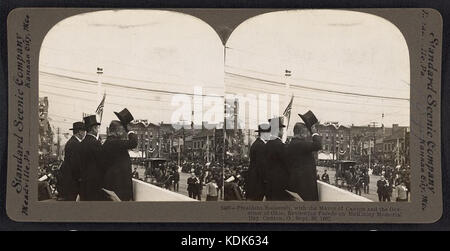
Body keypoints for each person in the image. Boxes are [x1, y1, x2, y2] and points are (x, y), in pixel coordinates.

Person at [102, 109, 138, 201]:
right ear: (117, 130)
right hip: (118, 188)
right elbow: (133, 143)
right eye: (122, 130)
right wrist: (130, 131)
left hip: (116, 186)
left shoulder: (110, 142)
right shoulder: (113, 142)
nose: (123, 133)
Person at [286, 122, 322, 201]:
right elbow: (318, 145)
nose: (307, 136)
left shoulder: (291, 144)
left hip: (297, 185)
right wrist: (314, 132)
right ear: (301, 133)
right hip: (304, 187)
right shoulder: (300, 144)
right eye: (306, 133)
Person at [79, 115, 105, 201]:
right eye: (97, 127)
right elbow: (102, 163)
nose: (98, 129)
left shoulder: (81, 143)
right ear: (94, 128)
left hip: (83, 184)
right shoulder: (95, 143)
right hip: (94, 184)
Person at [58, 122, 86, 201]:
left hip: (68, 178)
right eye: (84, 131)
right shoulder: (76, 144)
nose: (85, 133)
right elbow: (76, 164)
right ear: (80, 132)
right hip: (72, 181)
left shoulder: (71, 142)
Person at [265, 117, 291, 201]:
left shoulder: (267, 144)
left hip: (269, 183)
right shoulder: (280, 145)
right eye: (282, 129)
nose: (283, 131)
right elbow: (287, 164)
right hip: (279, 184)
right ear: (278, 130)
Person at [246, 123, 271, 201]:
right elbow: (262, 165)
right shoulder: (261, 146)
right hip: (258, 182)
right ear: (264, 133)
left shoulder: (256, 144)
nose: (270, 135)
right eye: (269, 133)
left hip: (254, 179)